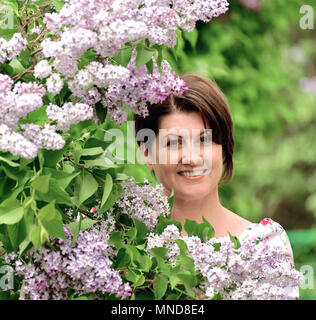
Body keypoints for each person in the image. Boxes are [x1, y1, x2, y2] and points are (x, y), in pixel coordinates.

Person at [134, 74, 300, 299]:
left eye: (204, 140)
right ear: (147, 153)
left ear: (223, 148)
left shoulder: (264, 246)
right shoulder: (127, 237)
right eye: (174, 143)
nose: (192, 158)